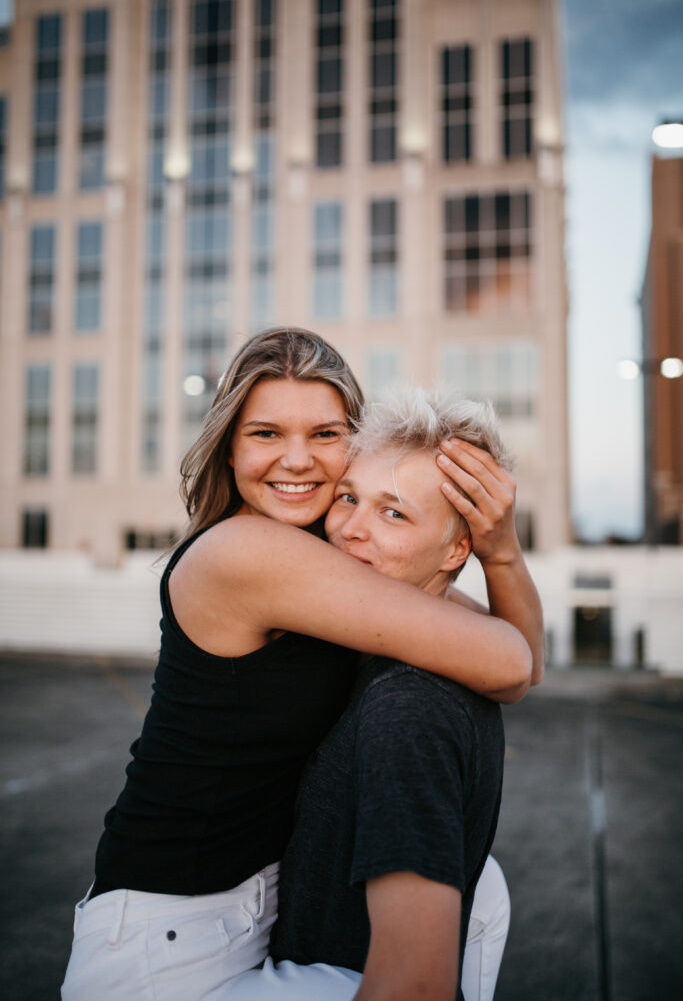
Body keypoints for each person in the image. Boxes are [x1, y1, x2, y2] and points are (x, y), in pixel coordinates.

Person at [61, 329, 539, 1000]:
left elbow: (519, 664)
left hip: (255, 915)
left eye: (324, 433)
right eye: (265, 433)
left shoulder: (335, 544)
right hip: (164, 944)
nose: (296, 459)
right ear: (229, 447)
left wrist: (497, 550)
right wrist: (488, 554)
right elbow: (509, 660)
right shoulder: (245, 554)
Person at [222, 387, 525, 1001]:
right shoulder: (414, 650)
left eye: (394, 514)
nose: (352, 530)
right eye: (349, 498)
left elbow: (414, 984)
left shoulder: (406, 708)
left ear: (458, 549)